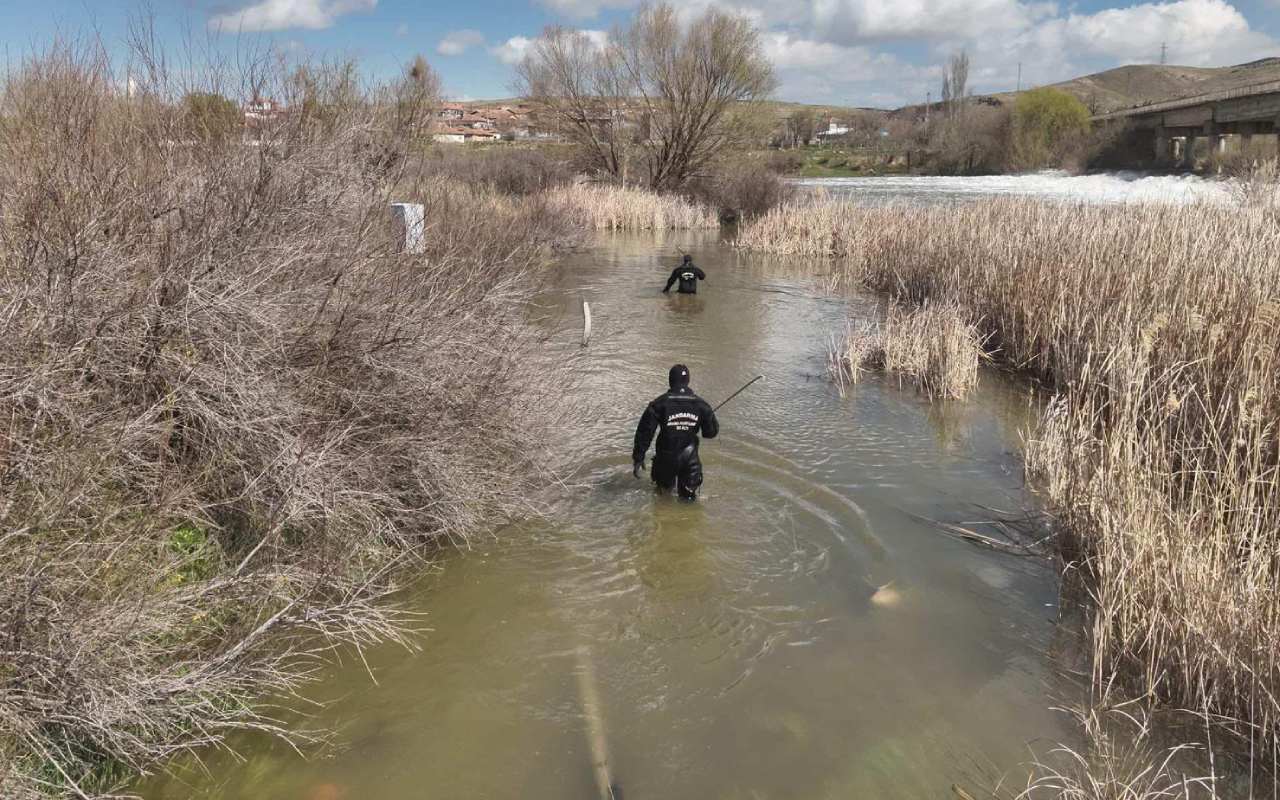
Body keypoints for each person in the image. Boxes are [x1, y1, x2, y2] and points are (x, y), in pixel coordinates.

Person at [632, 364, 719, 500]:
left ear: (670, 381)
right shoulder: (702, 405)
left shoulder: (659, 403)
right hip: (690, 460)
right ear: (688, 381)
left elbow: (645, 432)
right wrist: (703, 419)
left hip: (665, 458)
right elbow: (710, 433)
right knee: (688, 501)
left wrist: (638, 457)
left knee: (662, 499)